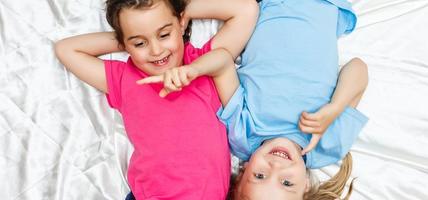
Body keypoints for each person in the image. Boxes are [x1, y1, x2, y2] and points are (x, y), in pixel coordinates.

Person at [141, 0, 369, 199]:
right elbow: (358, 69)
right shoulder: (326, 145)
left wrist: (193, 70)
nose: (276, 166)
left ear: (243, 172)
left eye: (260, 176)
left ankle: (170, 10)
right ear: (306, 187)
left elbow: (223, 63)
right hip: (322, 5)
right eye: (287, 183)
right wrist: (335, 108)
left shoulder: (243, 134)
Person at [54, 0, 259, 199]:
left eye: (164, 34)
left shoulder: (203, 64)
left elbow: (246, 9)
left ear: (180, 23)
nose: (156, 50)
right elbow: (66, 49)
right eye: (140, 43)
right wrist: (127, 38)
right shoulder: (125, 78)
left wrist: (180, 9)